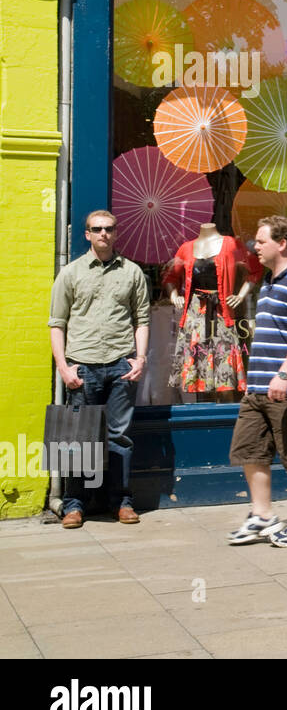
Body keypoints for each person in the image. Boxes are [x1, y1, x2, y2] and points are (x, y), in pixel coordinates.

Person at [48, 210, 150, 527]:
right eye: (97, 229)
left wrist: (141, 358)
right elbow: (56, 323)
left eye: (109, 228)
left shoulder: (132, 273)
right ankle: (74, 504)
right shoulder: (71, 273)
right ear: (87, 234)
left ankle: (121, 502)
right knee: (78, 439)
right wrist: (63, 367)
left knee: (119, 437)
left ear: (117, 233)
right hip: (83, 367)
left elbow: (142, 320)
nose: (103, 233)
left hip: (120, 365)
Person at [226, 216, 287, 547]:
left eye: (261, 240)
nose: (255, 245)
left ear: (282, 243)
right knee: (249, 449)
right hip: (258, 386)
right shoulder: (268, 281)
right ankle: (262, 515)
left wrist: (284, 373)